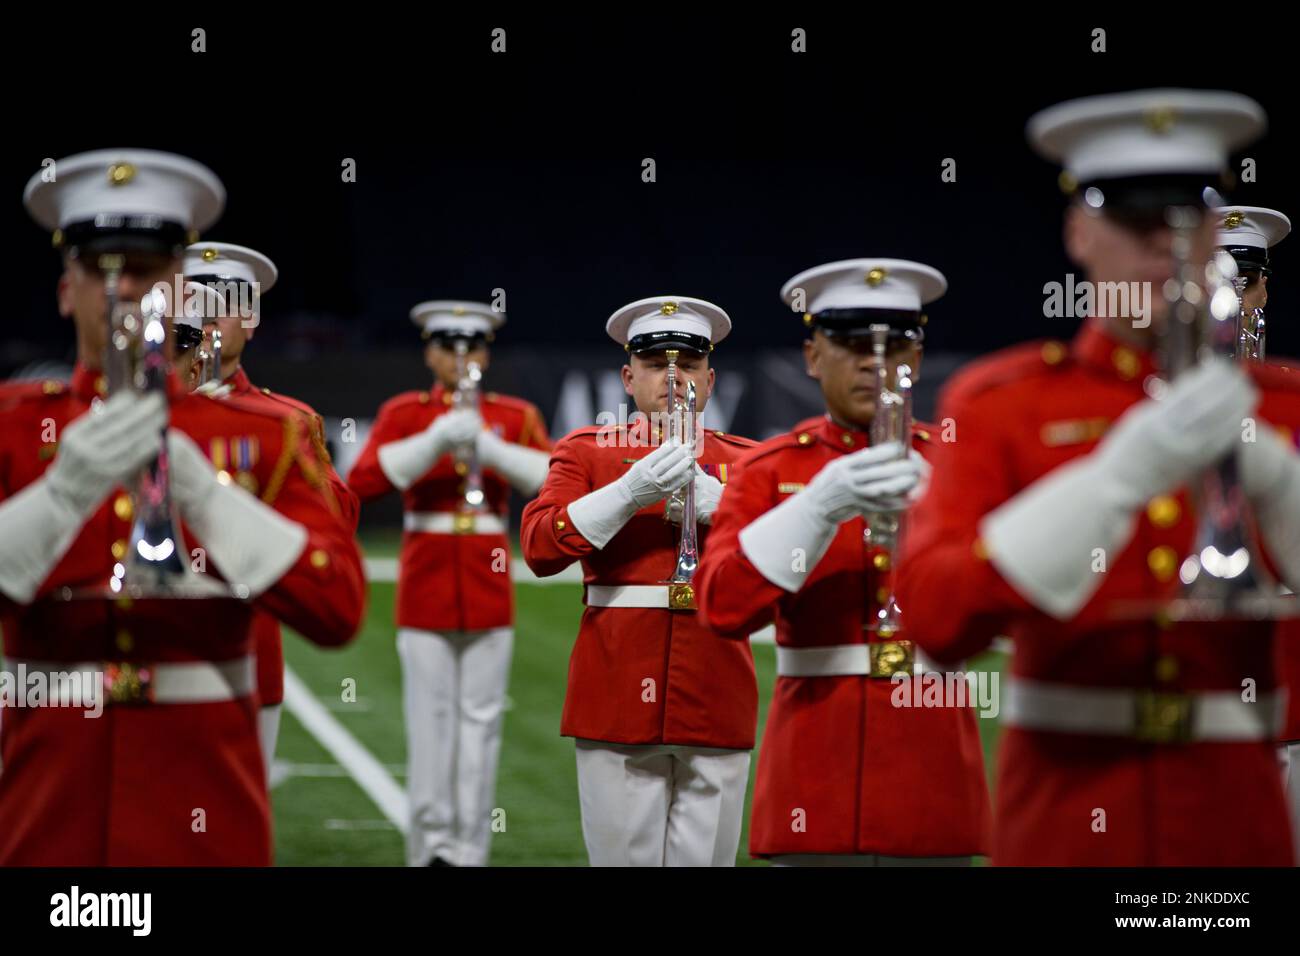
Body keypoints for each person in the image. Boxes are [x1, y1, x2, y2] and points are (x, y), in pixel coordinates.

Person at [898, 90, 1300, 864]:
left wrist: (1282, 486)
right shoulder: (1001, 403)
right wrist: (1111, 480)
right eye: (1131, 218)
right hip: (1064, 816)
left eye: (1181, 219)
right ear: (1079, 232)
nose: (1159, 243)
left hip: (1233, 823)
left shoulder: (1284, 406)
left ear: (1214, 234)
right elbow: (936, 622)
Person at [0, 149, 365, 865]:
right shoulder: (13, 427)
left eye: (144, 270)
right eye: (101, 269)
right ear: (66, 289)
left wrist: (201, 490)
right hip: (48, 816)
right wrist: (62, 493)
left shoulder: (267, 436)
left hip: (203, 815)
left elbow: (337, 607)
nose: (122, 291)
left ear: (178, 291)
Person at [696, 259, 991, 864]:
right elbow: (722, 607)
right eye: (853, 345)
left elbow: (1002, 614)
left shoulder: (959, 463)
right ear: (812, 356)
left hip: (933, 773)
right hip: (815, 772)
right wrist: (816, 507)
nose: (872, 364)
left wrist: (940, 518)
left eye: (894, 347)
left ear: (916, 358)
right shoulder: (770, 468)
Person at [520, 296, 758, 866]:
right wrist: (628, 493)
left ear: (710, 380)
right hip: (618, 691)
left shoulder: (750, 462)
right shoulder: (587, 452)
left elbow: (794, 566)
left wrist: (729, 509)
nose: (673, 379)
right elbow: (539, 549)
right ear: (628, 379)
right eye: (654, 365)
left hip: (716, 692)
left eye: (689, 365)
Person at [348, 300, 552, 866]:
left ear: (486, 354)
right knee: (429, 724)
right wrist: (434, 440)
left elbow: (551, 478)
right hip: (427, 582)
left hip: (487, 582)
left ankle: (469, 851)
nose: (461, 359)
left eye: (472, 348)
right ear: (430, 354)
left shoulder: (514, 414)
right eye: (448, 347)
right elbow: (361, 482)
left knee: (481, 728)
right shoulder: (405, 413)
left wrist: (491, 448)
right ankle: (429, 850)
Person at [184, 241, 360, 779]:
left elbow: (338, 524)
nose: (209, 316)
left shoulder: (287, 422)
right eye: (195, 299)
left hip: (249, 647)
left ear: (251, 320)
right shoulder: (138, 410)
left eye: (224, 303)